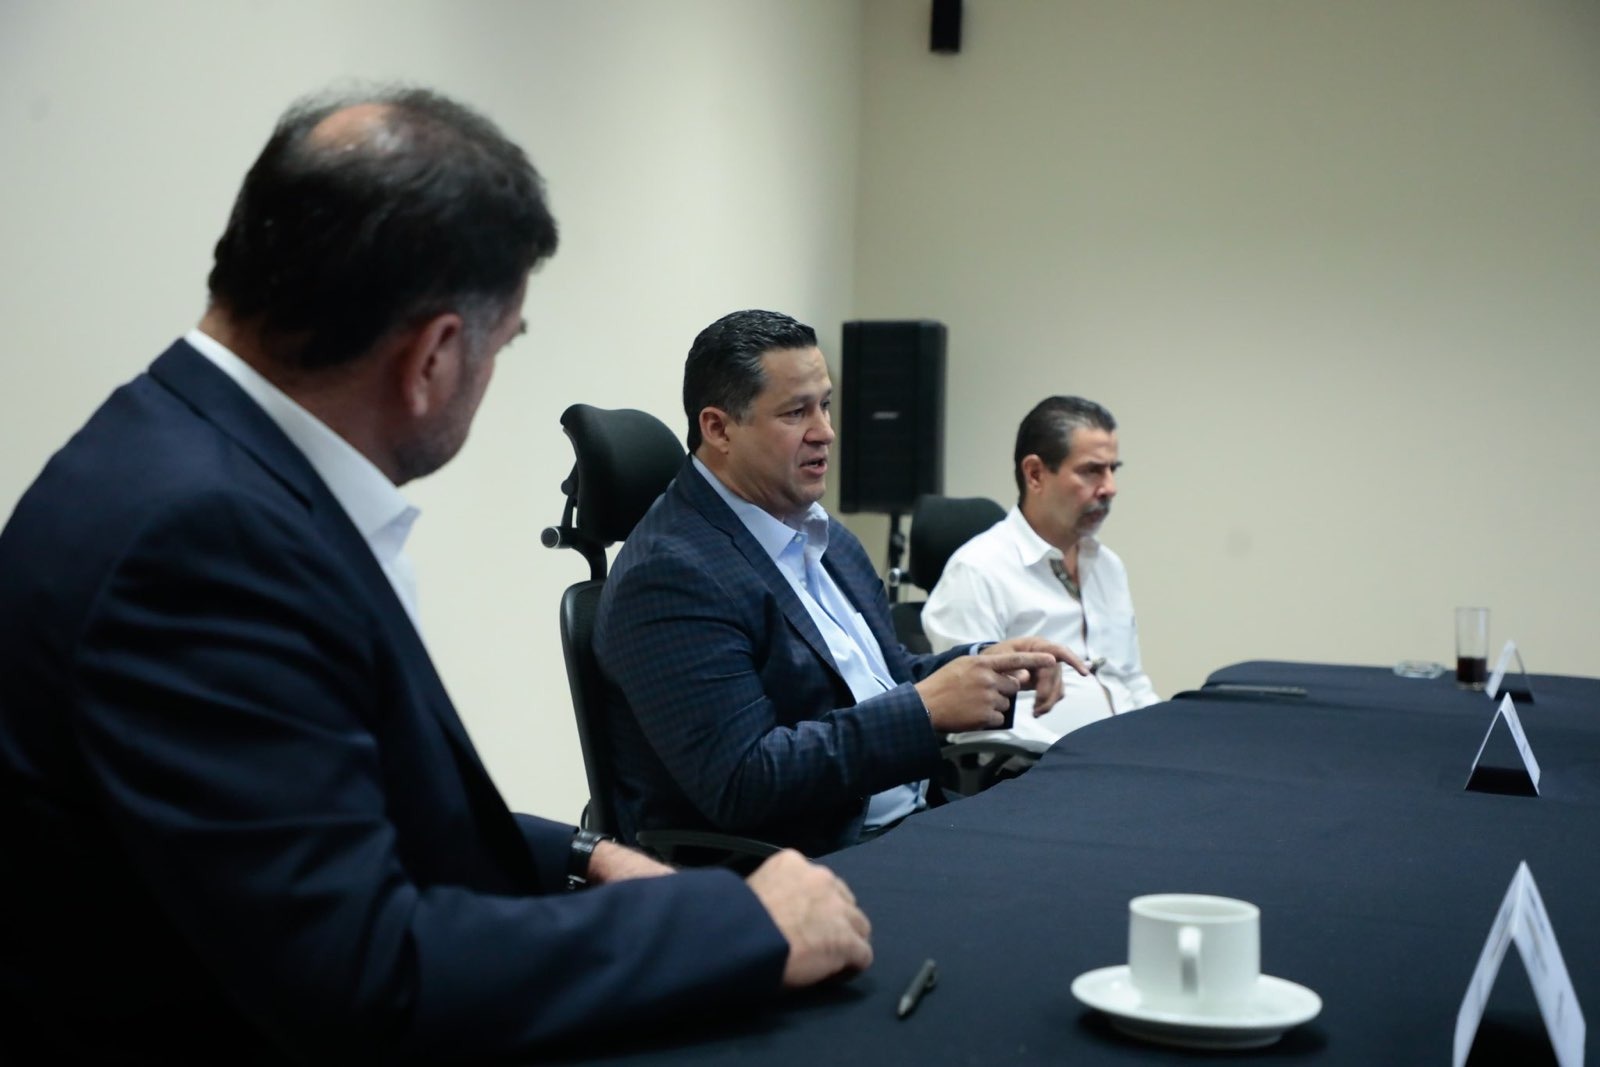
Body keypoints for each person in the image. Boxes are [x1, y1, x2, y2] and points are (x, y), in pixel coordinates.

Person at [0, 87, 873, 1065]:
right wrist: (742, 927)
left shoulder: (180, 452)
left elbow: (303, 804)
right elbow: (363, 974)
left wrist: (584, 855)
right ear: (434, 357)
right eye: (503, 346)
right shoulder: (208, 541)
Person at [593, 310, 1084, 856]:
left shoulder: (823, 537)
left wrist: (984, 662)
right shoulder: (670, 573)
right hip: (804, 866)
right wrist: (925, 708)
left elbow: (882, 679)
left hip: (909, 824)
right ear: (718, 428)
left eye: (824, 405)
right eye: (795, 412)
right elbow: (743, 780)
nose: (825, 432)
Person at [922, 396, 1160, 746]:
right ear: (1035, 474)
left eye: (1113, 469)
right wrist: (1069, 758)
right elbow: (975, 723)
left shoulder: (1107, 566)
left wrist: (1169, 741)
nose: (1110, 487)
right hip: (1041, 776)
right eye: (1092, 470)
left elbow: (1130, 681)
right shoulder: (977, 571)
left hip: (1126, 762)